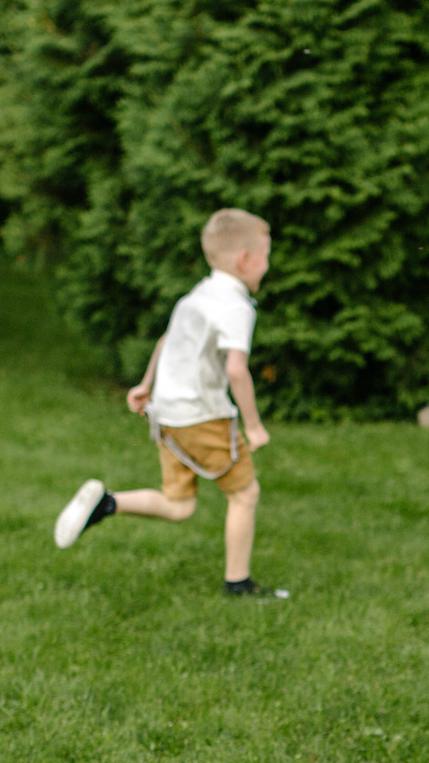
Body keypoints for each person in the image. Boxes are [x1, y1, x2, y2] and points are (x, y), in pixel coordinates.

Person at [52, 208, 288, 598]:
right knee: (245, 494)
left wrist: (146, 385)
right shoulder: (235, 307)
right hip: (202, 416)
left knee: (180, 505)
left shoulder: (197, 295)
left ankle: (106, 504)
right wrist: (254, 425)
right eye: (266, 256)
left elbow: (167, 340)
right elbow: (235, 370)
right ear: (245, 260)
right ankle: (239, 584)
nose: (267, 265)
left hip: (166, 413)